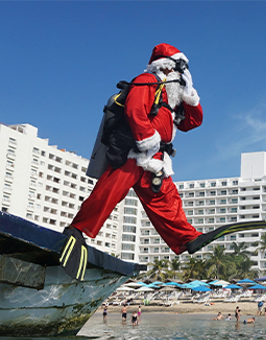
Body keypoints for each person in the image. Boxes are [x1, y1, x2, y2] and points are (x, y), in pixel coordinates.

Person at [60, 43, 207, 279]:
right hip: (135, 151)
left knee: (166, 199)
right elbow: (134, 110)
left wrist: (190, 94)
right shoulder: (147, 80)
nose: (181, 76)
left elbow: (192, 122)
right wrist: (147, 138)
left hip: (156, 157)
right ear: (168, 68)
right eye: (180, 72)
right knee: (108, 191)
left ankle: (186, 237)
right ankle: (77, 230)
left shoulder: (171, 99)